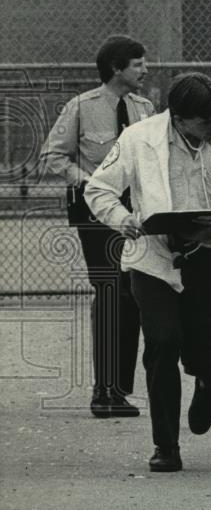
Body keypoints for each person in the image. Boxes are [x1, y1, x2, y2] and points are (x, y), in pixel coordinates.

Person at [85, 72, 211, 472]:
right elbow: (98, 189)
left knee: (201, 346)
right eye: (204, 121)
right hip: (155, 257)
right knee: (162, 343)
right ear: (177, 118)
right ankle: (166, 445)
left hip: (208, 254)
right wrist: (123, 219)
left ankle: (206, 377)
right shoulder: (138, 139)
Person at [40, 34, 155, 419]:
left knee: (134, 294)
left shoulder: (145, 108)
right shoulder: (81, 108)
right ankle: (103, 390)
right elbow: (53, 156)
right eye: (137, 64)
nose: (145, 70)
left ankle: (119, 390)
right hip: (95, 213)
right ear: (116, 69)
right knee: (109, 291)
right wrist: (88, 182)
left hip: (135, 213)